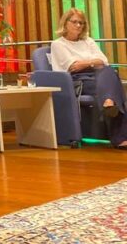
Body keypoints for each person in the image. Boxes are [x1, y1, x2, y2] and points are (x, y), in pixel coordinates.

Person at [50, 8, 127, 149]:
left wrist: (86, 63)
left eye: (81, 23)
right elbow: (73, 67)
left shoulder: (88, 41)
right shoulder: (58, 44)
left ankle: (109, 102)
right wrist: (92, 62)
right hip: (77, 80)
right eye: (75, 22)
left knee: (109, 70)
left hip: (98, 76)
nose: (79, 25)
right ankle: (119, 135)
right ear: (65, 23)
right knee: (116, 87)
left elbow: (104, 61)